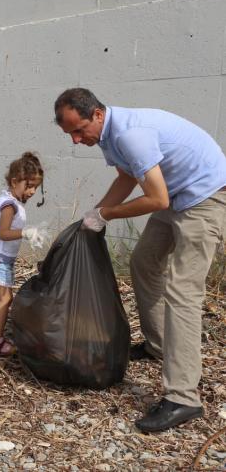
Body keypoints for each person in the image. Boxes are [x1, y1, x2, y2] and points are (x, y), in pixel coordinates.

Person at [54, 87, 226, 433]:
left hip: (204, 197)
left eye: (78, 130)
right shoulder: (108, 135)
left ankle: (183, 398)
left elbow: (156, 199)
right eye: (70, 133)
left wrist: (107, 214)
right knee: (144, 262)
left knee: (182, 292)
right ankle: (158, 344)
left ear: (97, 114)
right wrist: (94, 213)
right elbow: (127, 178)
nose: (75, 140)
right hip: (177, 193)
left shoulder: (131, 135)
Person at [0, 152, 47, 356]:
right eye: (29, 186)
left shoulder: (13, 201)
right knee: (5, 298)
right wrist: (25, 233)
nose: (32, 191)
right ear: (14, 181)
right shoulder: (9, 205)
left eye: (36, 187)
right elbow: (3, 233)